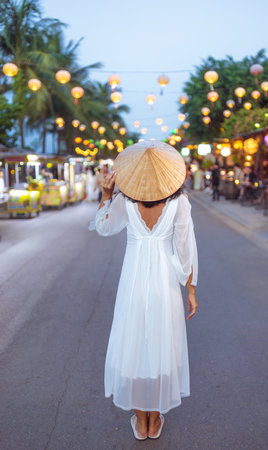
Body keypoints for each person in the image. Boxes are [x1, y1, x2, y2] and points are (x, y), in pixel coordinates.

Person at [89, 140, 198, 440]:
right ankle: (155, 418)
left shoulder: (124, 201)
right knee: (161, 343)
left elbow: (103, 227)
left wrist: (106, 195)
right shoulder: (180, 202)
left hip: (133, 282)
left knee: (135, 344)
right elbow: (185, 249)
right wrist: (190, 289)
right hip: (164, 282)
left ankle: (142, 422)